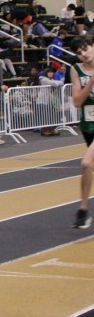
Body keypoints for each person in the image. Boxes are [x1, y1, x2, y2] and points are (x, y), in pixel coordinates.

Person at [70, 37, 94, 228]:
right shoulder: (76, 70)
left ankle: (83, 209)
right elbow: (77, 101)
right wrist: (91, 82)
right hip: (88, 125)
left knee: (86, 162)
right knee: (89, 166)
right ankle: (84, 211)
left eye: (86, 49)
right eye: (79, 52)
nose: (84, 54)